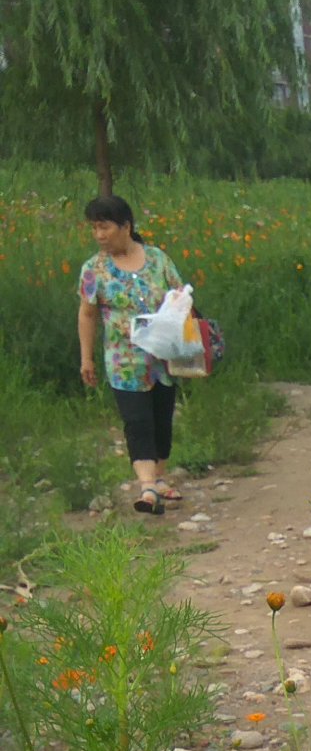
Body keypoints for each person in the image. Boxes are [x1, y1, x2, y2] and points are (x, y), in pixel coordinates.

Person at [77, 195, 185, 517]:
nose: (99, 235)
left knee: (161, 418)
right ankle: (147, 487)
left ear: (126, 226)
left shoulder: (157, 259)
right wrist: (86, 358)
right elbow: (87, 314)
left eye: (105, 227)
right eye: (94, 228)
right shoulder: (94, 269)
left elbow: (179, 294)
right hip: (123, 361)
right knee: (136, 420)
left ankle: (159, 477)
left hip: (163, 358)